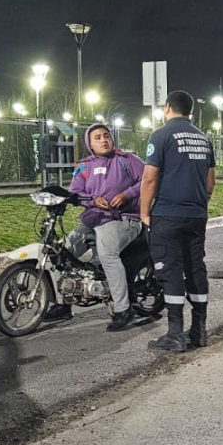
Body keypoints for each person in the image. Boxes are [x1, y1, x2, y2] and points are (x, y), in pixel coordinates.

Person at [140, 90, 216, 353]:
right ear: (190, 110)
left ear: (168, 108)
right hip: (196, 215)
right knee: (196, 268)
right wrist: (198, 205)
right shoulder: (204, 139)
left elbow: (149, 178)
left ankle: (175, 334)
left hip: (168, 215)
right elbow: (210, 182)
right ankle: (199, 331)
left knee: (170, 269)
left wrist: (144, 211)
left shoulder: (161, 135)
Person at [62, 123, 148, 331]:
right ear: (89, 143)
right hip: (94, 218)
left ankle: (123, 309)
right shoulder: (84, 165)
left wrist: (127, 195)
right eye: (97, 137)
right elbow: (75, 191)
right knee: (63, 252)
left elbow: (149, 179)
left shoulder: (128, 160)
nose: (103, 140)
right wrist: (92, 201)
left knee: (107, 253)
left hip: (124, 219)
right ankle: (63, 304)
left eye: (106, 135)